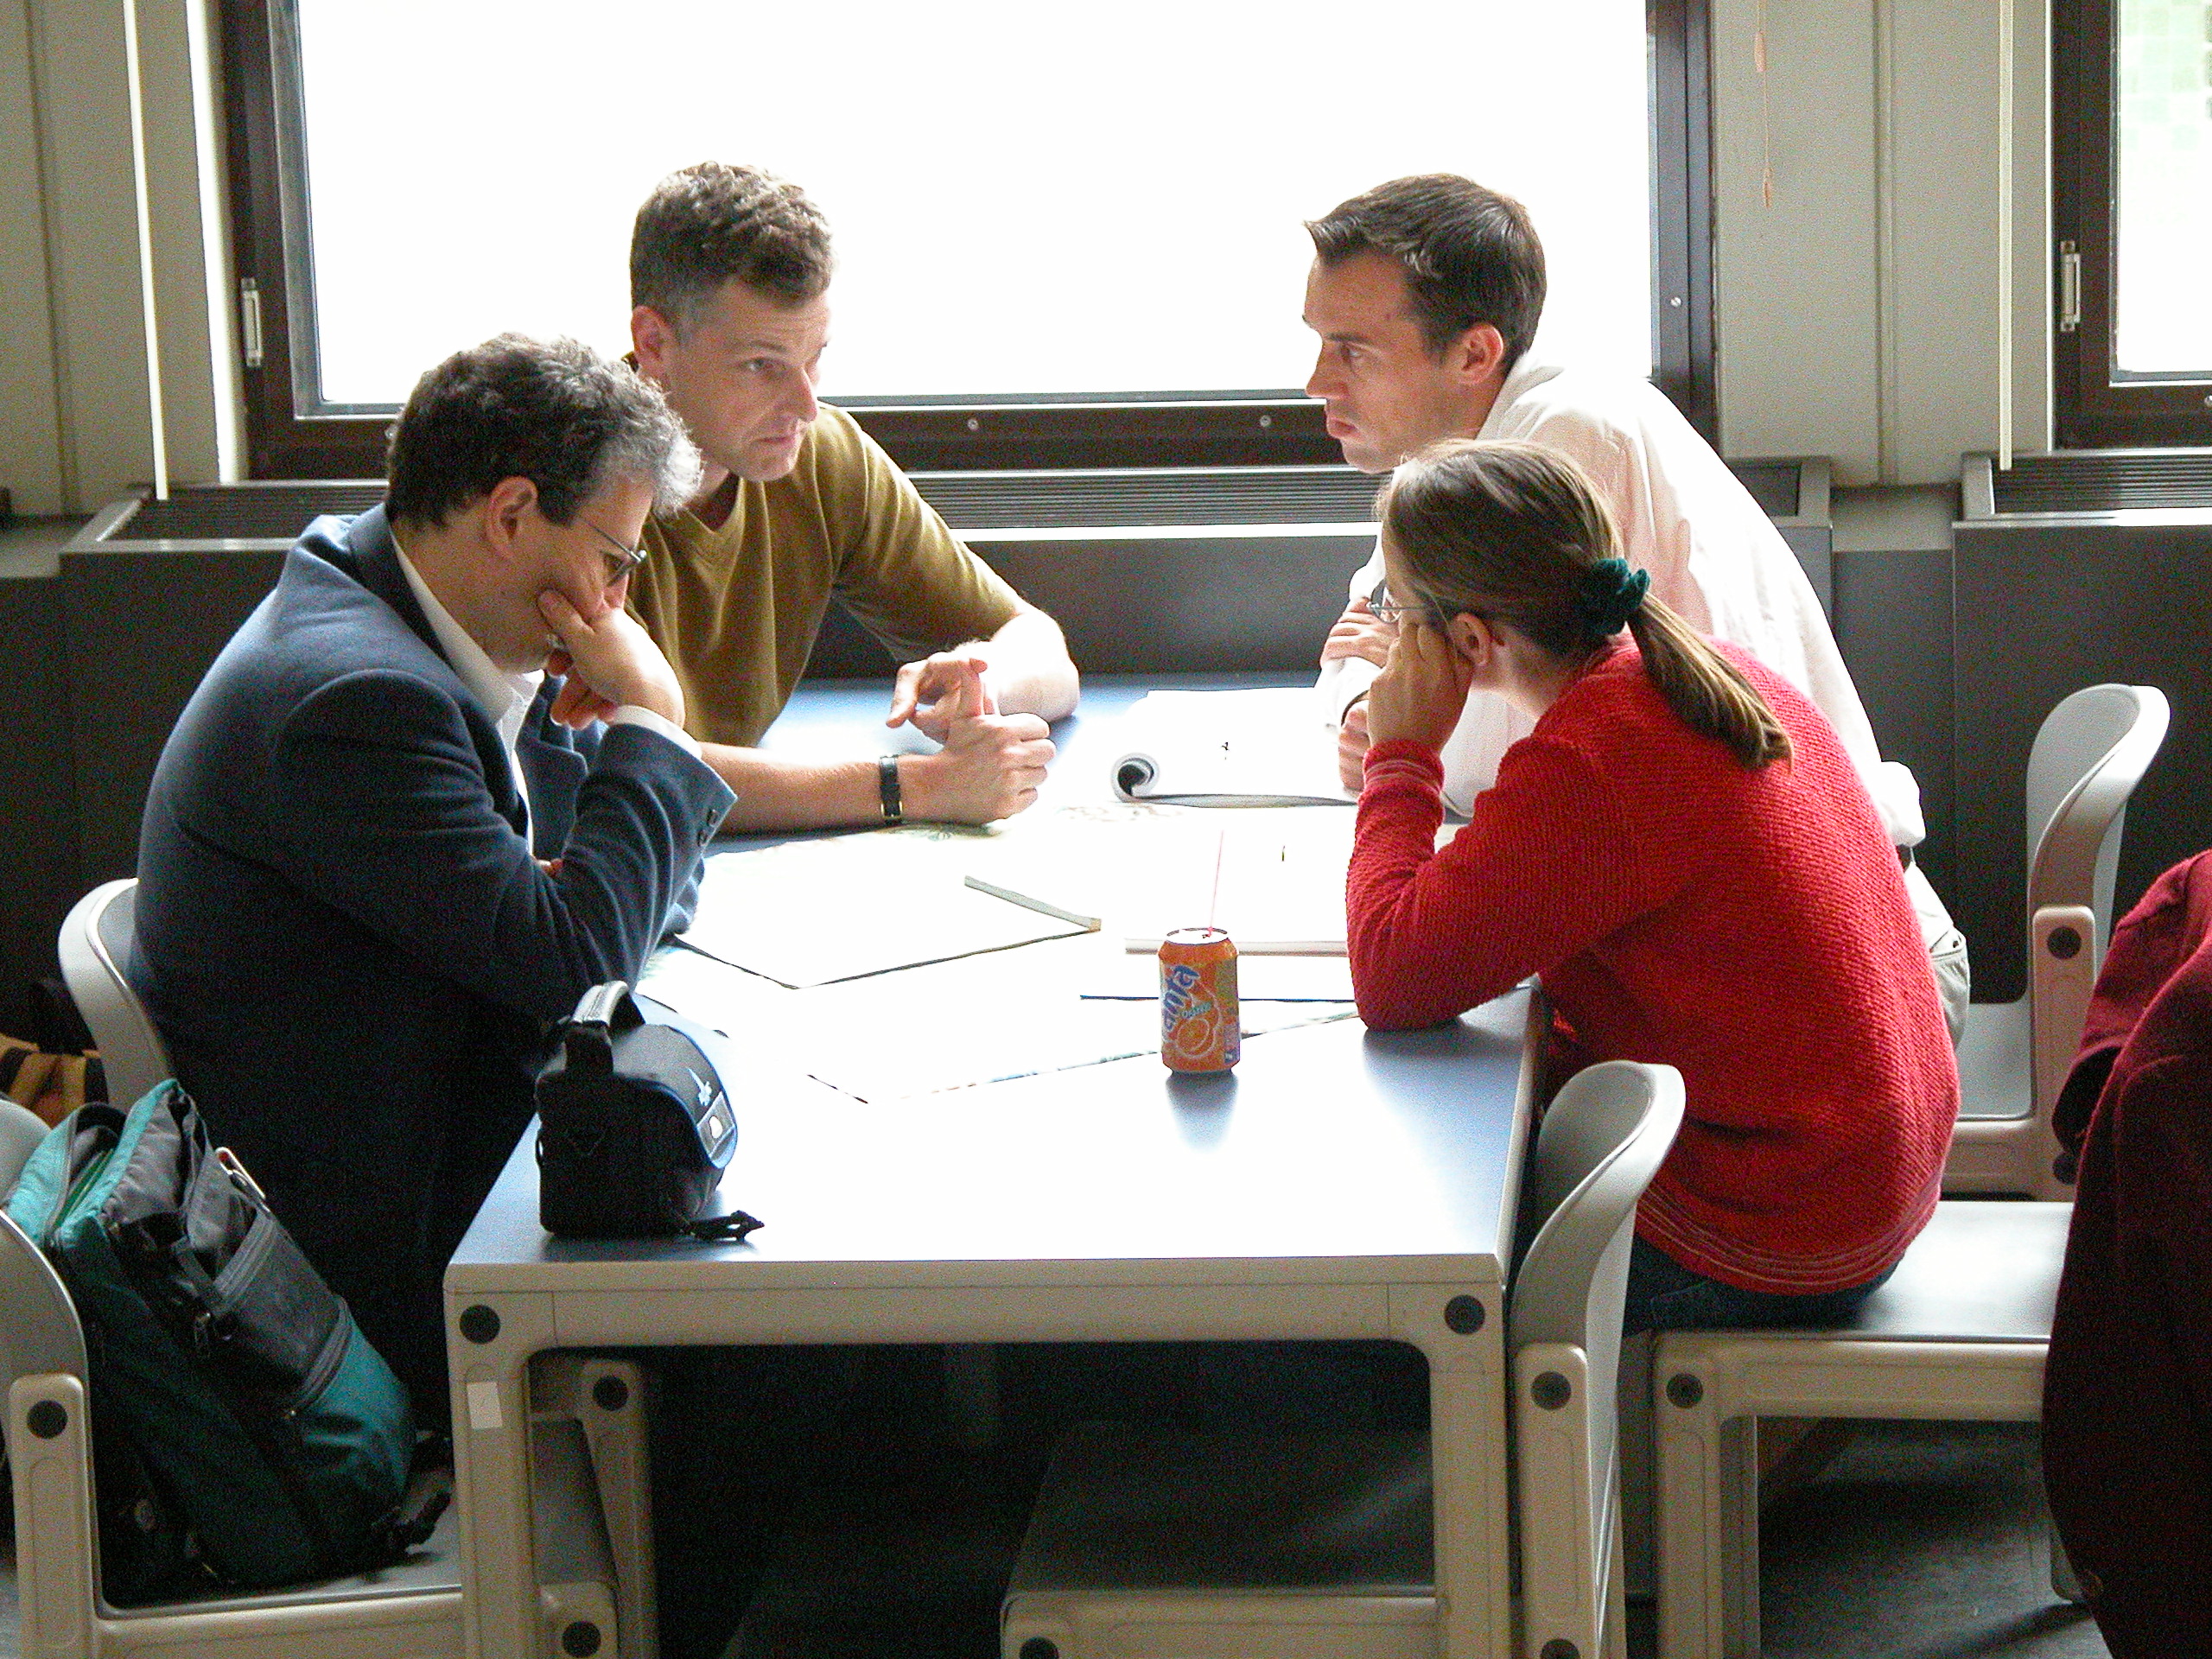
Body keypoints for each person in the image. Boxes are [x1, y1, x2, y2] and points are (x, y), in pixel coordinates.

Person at [131, 335, 736, 1414]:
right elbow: (583, 963)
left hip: (444, 1140)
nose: (614, 601)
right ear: (511, 516)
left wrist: (592, 841)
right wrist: (654, 719)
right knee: (784, 1325)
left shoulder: (394, 613)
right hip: (385, 1263)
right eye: (616, 560)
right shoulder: (357, 701)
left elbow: (631, 901)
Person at [1302, 173, 1969, 1035]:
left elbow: (1470, 765)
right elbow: (1374, 645)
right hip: (1791, 979)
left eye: (1352, 351)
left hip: (1858, 991)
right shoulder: (1474, 452)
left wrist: (1396, 739)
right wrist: (1386, 702)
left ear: (1473, 354)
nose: (1315, 382)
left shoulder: (1565, 438)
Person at [1349, 440, 1955, 1327]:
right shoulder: (1694, 673)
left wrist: (1401, 755)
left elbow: (1391, 976)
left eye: (1395, 610)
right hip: (1861, 1179)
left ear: (1469, 641)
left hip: (1783, 1230)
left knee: (1407, 1277)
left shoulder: (1599, 757)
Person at [625, 162, 1079, 830]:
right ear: (654, 343)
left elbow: (1044, 651)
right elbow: (623, 769)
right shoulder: (571, 488)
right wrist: (913, 787)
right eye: (761, 366)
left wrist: (983, 683)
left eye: (814, 357)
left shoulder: (820, 456)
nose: (805, 405)